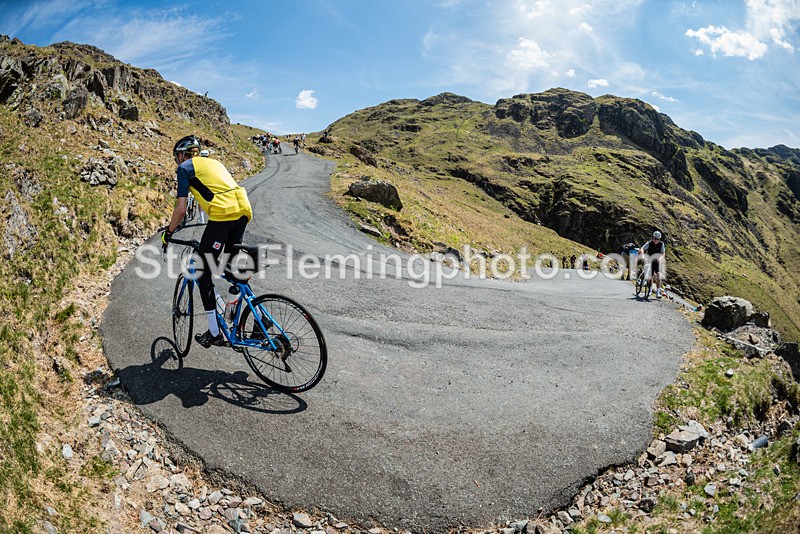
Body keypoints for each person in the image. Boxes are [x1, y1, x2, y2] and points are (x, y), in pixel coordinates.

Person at [161, 135, 253, 348]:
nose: (178, 160)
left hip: (223, 215)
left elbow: (182, 209)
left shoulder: (184, 168)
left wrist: (169, 232)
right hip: (243, 210)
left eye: (178, 156)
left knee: (202, 272)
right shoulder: (214, 163)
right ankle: (251, 317)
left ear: (182, 154)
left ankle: (214, 332)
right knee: (232, 272)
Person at [640, 231, 665, 298]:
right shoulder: (649, 243)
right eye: (655, 238)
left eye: (658, 239)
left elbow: (663, 253)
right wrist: (642, 255)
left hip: (657, 261)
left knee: (659, 275)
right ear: (652, 238)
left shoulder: (661, 244)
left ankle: (658, 292)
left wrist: (660, 258)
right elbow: (642, 248)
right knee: (650, 276)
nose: (656, 240)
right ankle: (650, 290)